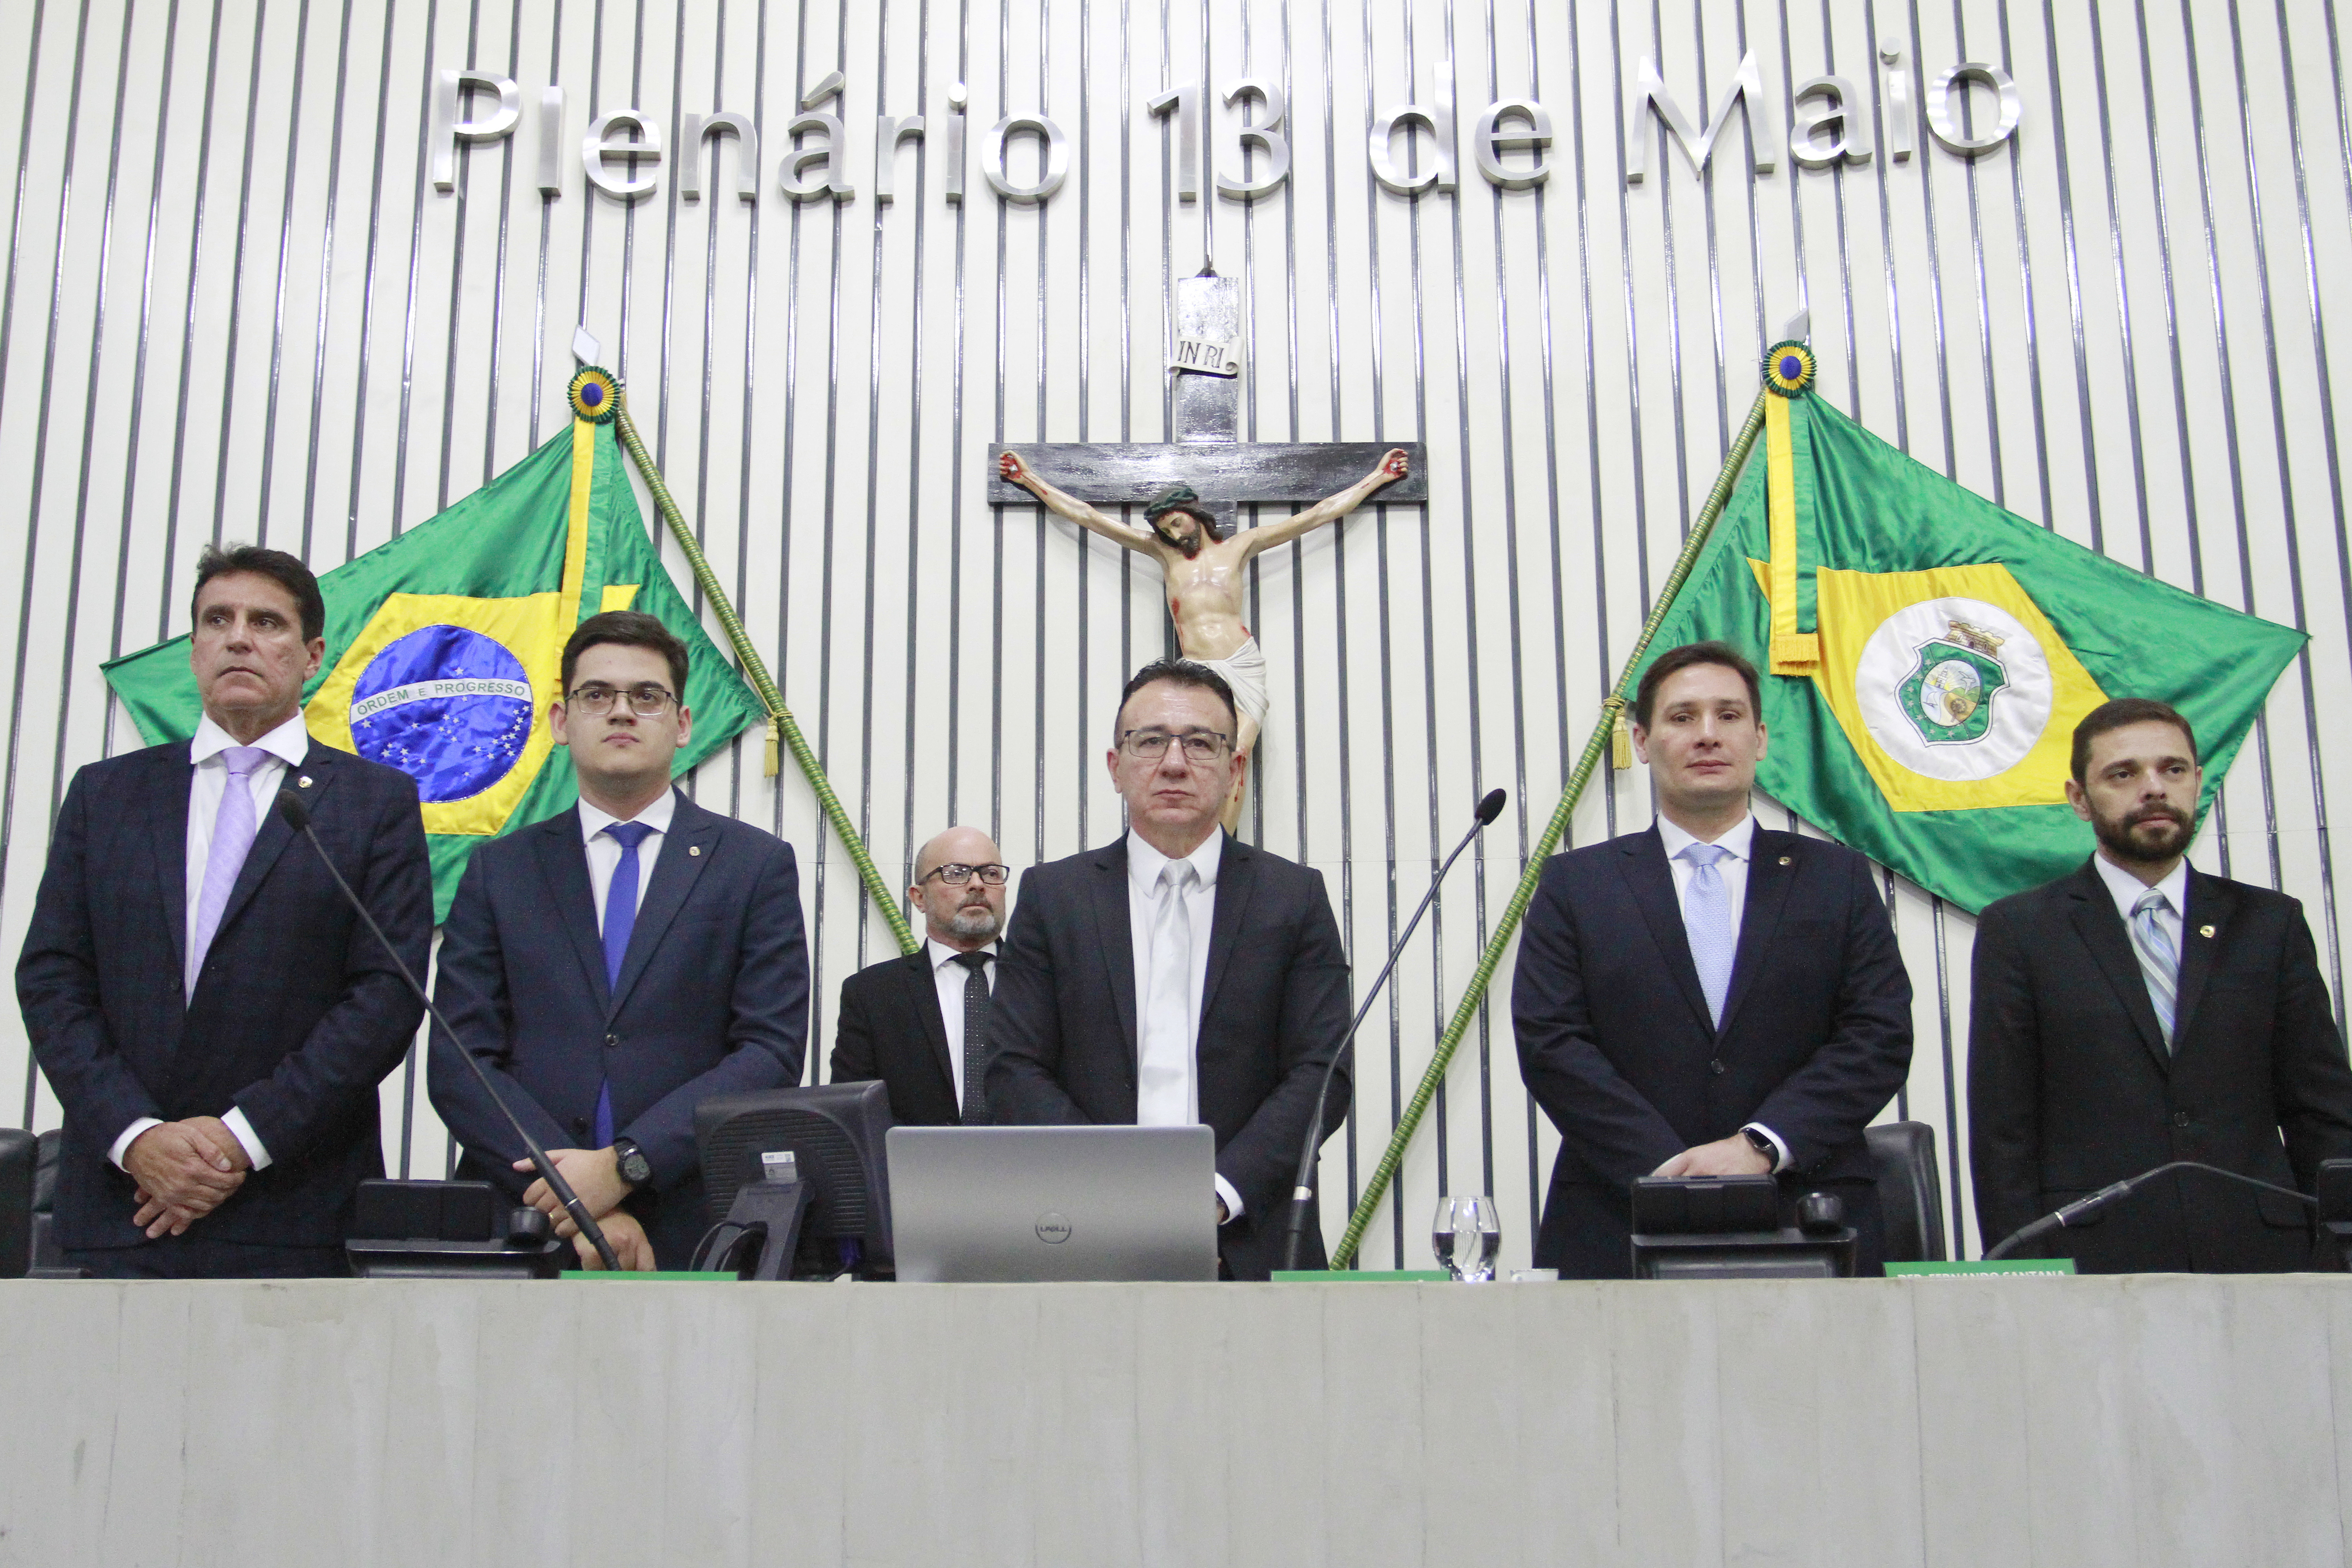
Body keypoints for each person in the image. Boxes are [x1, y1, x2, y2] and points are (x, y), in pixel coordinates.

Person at [16, 544, 432, 1277]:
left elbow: (383, 998)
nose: (239, 638)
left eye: (266, 622)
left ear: (312, 657)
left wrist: (240, 1140)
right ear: (195, 650)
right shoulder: (106, 795)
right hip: (124, 1205)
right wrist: (138, 1139)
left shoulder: (375, 804)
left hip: (294, 1209)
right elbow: (53, 980)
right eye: (218, 620)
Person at [1511, 641, 1914, 1279]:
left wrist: (1760, 1146)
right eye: (1682, 717)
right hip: (1618, 1213)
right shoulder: (1576, 885)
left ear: (1760, 738)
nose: (1707, 734)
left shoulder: (1834, 877)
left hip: (1808, 1211)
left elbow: (1878, 1033)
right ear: (1642, 741)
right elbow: (1551, 1042)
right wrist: (1672, 1172)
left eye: (1728, 716)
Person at [429, 611, 808, 1271]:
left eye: (647, 696)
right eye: (597, 694)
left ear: (682, 724)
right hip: (524, 1219)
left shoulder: (754, 866)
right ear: (560, 721)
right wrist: (575, 1194)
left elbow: (769, 1051)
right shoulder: (500, 870)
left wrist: (628, 1165)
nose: (622, 711)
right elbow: (460, 1059)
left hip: (694, 1223)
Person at [986, 657, 1353, 1279]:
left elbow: (1322, 1071)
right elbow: (1013, 1066)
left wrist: (1217, 1196)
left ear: (1236, 770)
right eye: (1151, 740)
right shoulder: (1054, 898)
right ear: (1116, 766)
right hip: (1082, 1240)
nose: (1175, 763)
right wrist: (1119, 1194)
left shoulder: (1293, 898)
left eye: (1202, 743)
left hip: (1251, 1246)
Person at [1968, 698, 2352, 1271]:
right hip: (2095, 1258)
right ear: (2079, 799)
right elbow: (2003, 1130)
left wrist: (2338, 1253)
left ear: (2197, 781)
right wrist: (2024, 1272)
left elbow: (2321, 1110)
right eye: (2123, 774)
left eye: (2172, 770)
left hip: (2264, 1254)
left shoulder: (2270, 924)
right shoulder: (2021, 931)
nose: (2154, 789)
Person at [997, 446, 1411, 830]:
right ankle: (1191, 837)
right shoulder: (1164, 555)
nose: (1175, 535)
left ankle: (1223, 848)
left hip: (1242, 663)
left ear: (1195, 514)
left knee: (1237, 755)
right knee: (1198, 751)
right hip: (1198, 671)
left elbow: (1318, 515)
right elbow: (1088, 516)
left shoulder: (1241, 547)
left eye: (1177, 523)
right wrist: (1029, 479)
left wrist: (1377, 478)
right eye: (1167, 530)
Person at [831, 826, 1010, 1125]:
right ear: (919, 898)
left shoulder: (1044, 983)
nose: (977, 884)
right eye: (956, 873)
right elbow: (853, 1114)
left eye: (991, 873)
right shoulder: (871, 995)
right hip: (912, 1155)